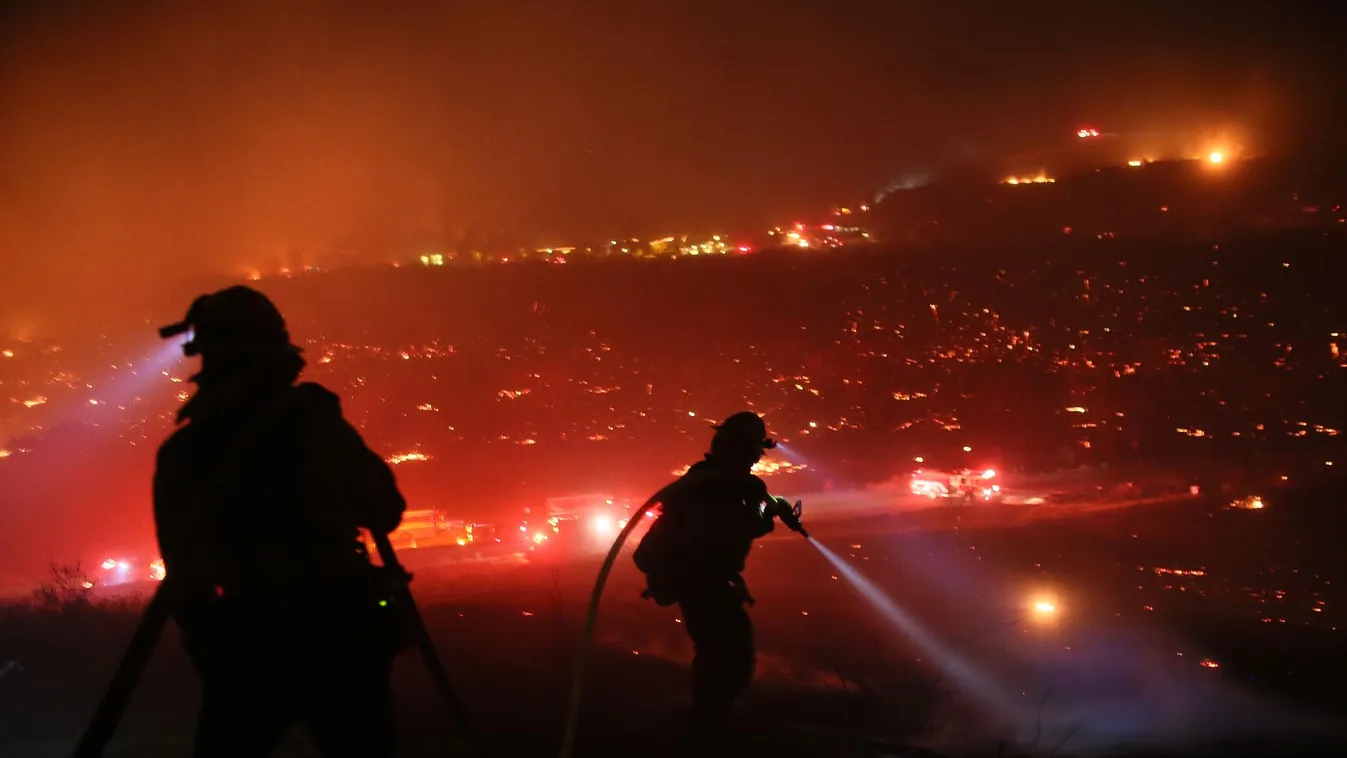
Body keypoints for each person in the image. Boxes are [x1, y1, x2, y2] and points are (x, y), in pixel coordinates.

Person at [152, 286, 407, 758]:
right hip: (338, 640)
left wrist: (215, 644)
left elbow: (185, 580)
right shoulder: (318, 428)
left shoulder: (184, 454)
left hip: (245, 650)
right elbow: (386, 510)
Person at [633, 411, 782, 745]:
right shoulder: (717, 486)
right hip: (703, 583)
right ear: (739, 448)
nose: (758, 458)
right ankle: (708, 731)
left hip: (703, 582)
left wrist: (762, 512)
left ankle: (710, 725)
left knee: (723, 653)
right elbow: (723, 534)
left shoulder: (712, 482)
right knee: (727, 655)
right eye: (755, 451)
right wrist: (764, 516)